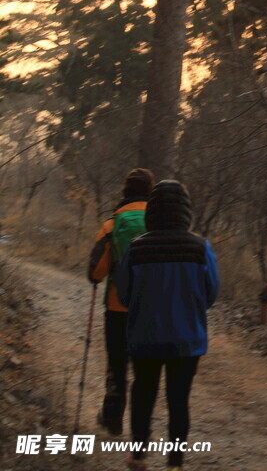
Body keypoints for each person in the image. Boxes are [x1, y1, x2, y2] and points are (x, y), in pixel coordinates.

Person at [116, 180, 219, 471]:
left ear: (152, 211)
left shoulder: (137, 248)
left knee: (143, 394)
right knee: (179, 400)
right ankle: (175, 462)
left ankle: (138, 454)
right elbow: (211, 293)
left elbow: (124, 294)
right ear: (186, 211)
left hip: (144, 337)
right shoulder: (200, 248)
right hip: (187, 341)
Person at [88, 167, 155, 435]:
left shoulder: (112, 223)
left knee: (117, 363)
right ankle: (141, 427)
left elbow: (96, 272)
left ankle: (113, 417)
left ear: (124, 191)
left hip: (117, 306)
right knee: (144, 368)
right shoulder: (159, 221)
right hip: (150, 307)